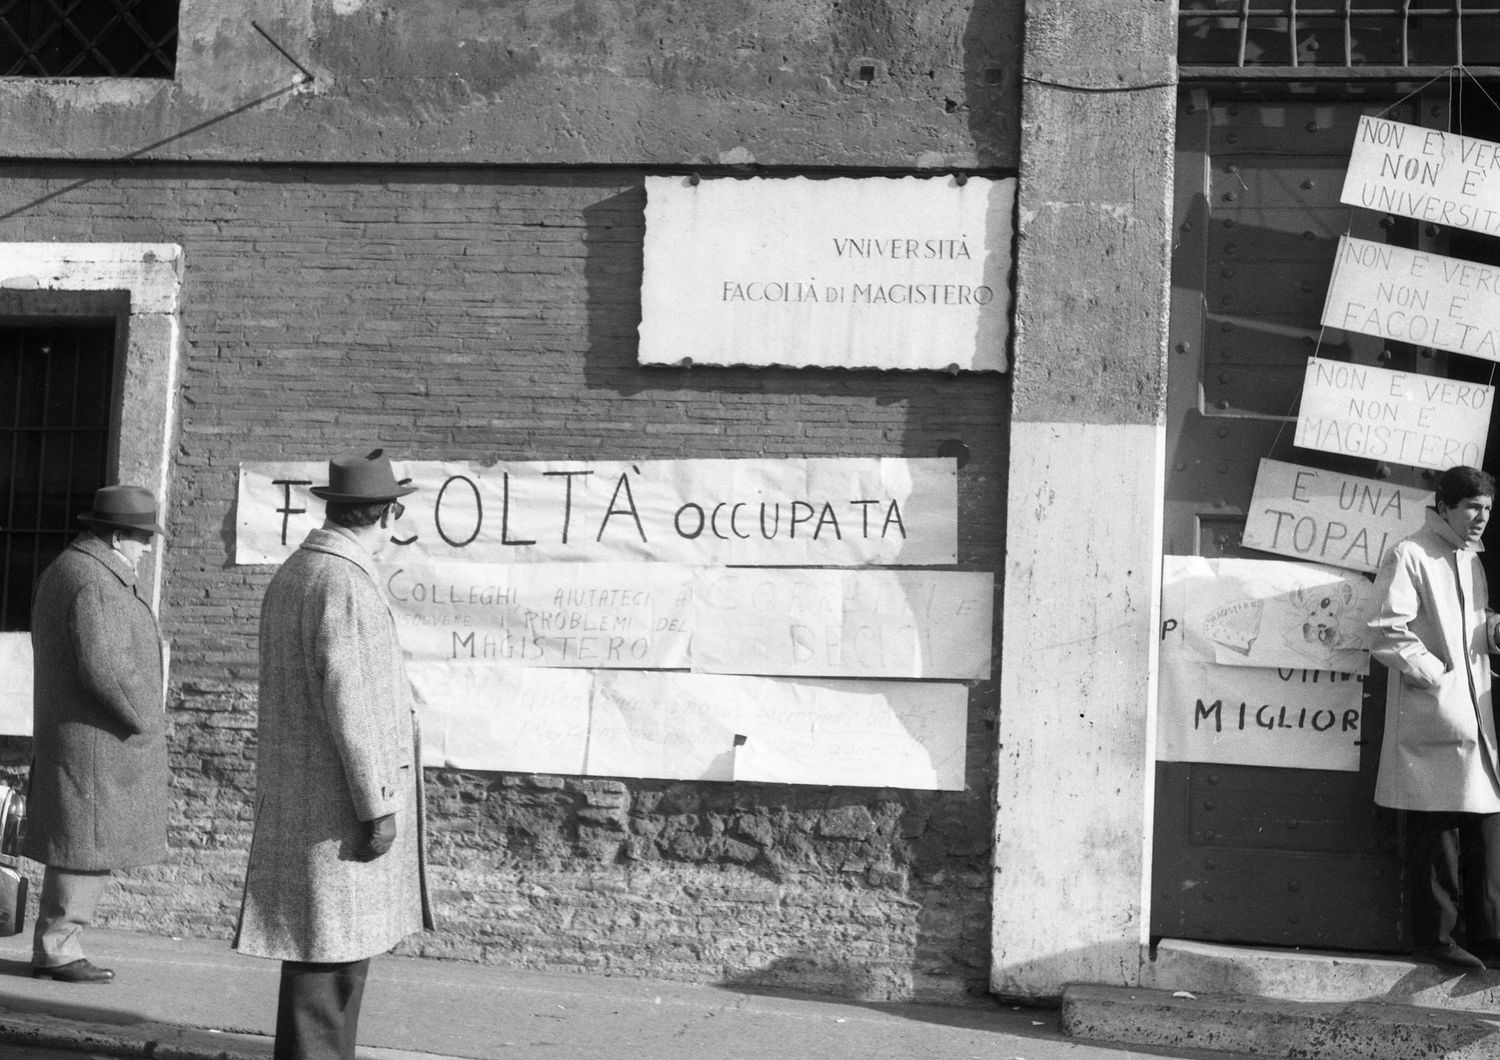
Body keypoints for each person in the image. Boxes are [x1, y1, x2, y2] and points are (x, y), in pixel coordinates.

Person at [234, 448, 432, 1060]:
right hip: (338, 808)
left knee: (330, 963)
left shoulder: (301, 571)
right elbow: (355, 707)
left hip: (309, 797)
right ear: (390, 512)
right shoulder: (344, 582)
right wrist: (379, 804)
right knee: (329, 967)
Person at [25, 484, 169, 984]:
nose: (148, 548)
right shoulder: (93, 580)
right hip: (95, 740)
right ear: (115, 536)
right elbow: (105, 666)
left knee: (79, 840)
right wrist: (147, 715)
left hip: (83, 736)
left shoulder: (75, 569)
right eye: (141, 537)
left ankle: (56, 944)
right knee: (83, 843)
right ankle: (59, 948)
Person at [1370, 464, 1500, 970]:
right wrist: (1436, 673)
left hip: (1473, 710)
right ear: (1444, 505)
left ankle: (1490, 937)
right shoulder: (1411, 554)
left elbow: (1467, 628)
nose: (1481, 518)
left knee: (1486, 822)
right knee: (1439, 827)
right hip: (1437, 710)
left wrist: (1492, 633)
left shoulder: (1471, 562)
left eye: (1488, 509)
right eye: (1472, 507)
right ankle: (1436, 937)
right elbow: (1384, 628)